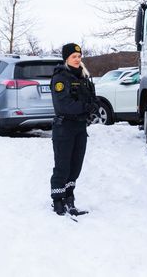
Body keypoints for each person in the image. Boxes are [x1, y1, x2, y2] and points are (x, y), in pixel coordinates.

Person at [49, 43, 97, 216]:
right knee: (62, 166)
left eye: (79, 56)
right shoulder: (60, 78)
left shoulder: (84, 78)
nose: (78, 59)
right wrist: (86, 107)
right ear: (66, 59)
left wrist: (93, 106)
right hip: (64, 128)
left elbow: (92, 99)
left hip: (80, 127)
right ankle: (57, 200)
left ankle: (69, 198)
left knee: (75, 166)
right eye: (74, 57)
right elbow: (64, 105)